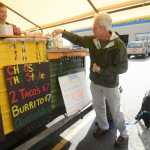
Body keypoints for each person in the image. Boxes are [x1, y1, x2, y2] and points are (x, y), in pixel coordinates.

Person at [52, 12, 129, 147]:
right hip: (95, 82)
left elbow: (123, 68)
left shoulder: (118, 45)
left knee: (116, 111)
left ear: (104, 28)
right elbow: (78, 39)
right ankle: (103, 127)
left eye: (95, 28)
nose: (92, 30)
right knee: (98, 107)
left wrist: (102, 70)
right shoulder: (94, 40)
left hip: (110, 85)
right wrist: (62, 32)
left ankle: (124, 134)